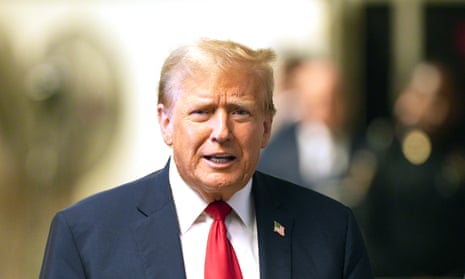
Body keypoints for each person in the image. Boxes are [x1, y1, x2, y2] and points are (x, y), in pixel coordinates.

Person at [39, 38, 373, 278]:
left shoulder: (332, 231)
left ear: (267, 127)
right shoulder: (86, 235)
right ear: (166, 123)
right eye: (202, 112)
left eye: (240, 112)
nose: (222, 131)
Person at [258, 56, 357, 203]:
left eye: (335, 100)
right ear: (304, 101)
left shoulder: (364, 149)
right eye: (320, 103)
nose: (329, 112)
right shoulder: (276, 155)